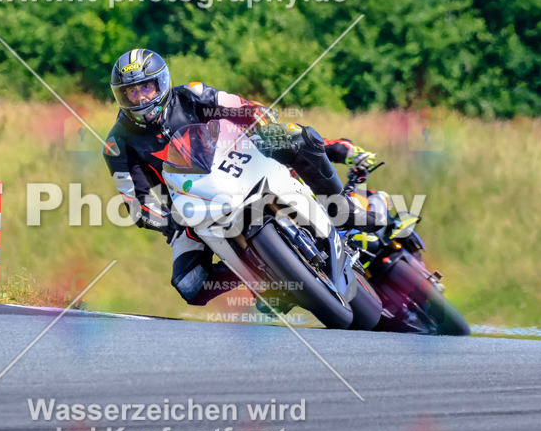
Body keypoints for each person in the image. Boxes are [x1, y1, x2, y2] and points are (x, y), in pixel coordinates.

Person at [102, 48, 383, 307]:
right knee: (190, 285)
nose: (140, 98)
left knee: (301, 138)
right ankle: (262, 278)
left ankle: (341, 209)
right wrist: (168, 222)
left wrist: (262, 119)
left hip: (237, 161)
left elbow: (240, 106)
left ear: (161, 82)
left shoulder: (190, 94)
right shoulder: (118, 142)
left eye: (146, 87)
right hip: (190, 206)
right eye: (130, 92)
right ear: (120, 96)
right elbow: (136, 203)